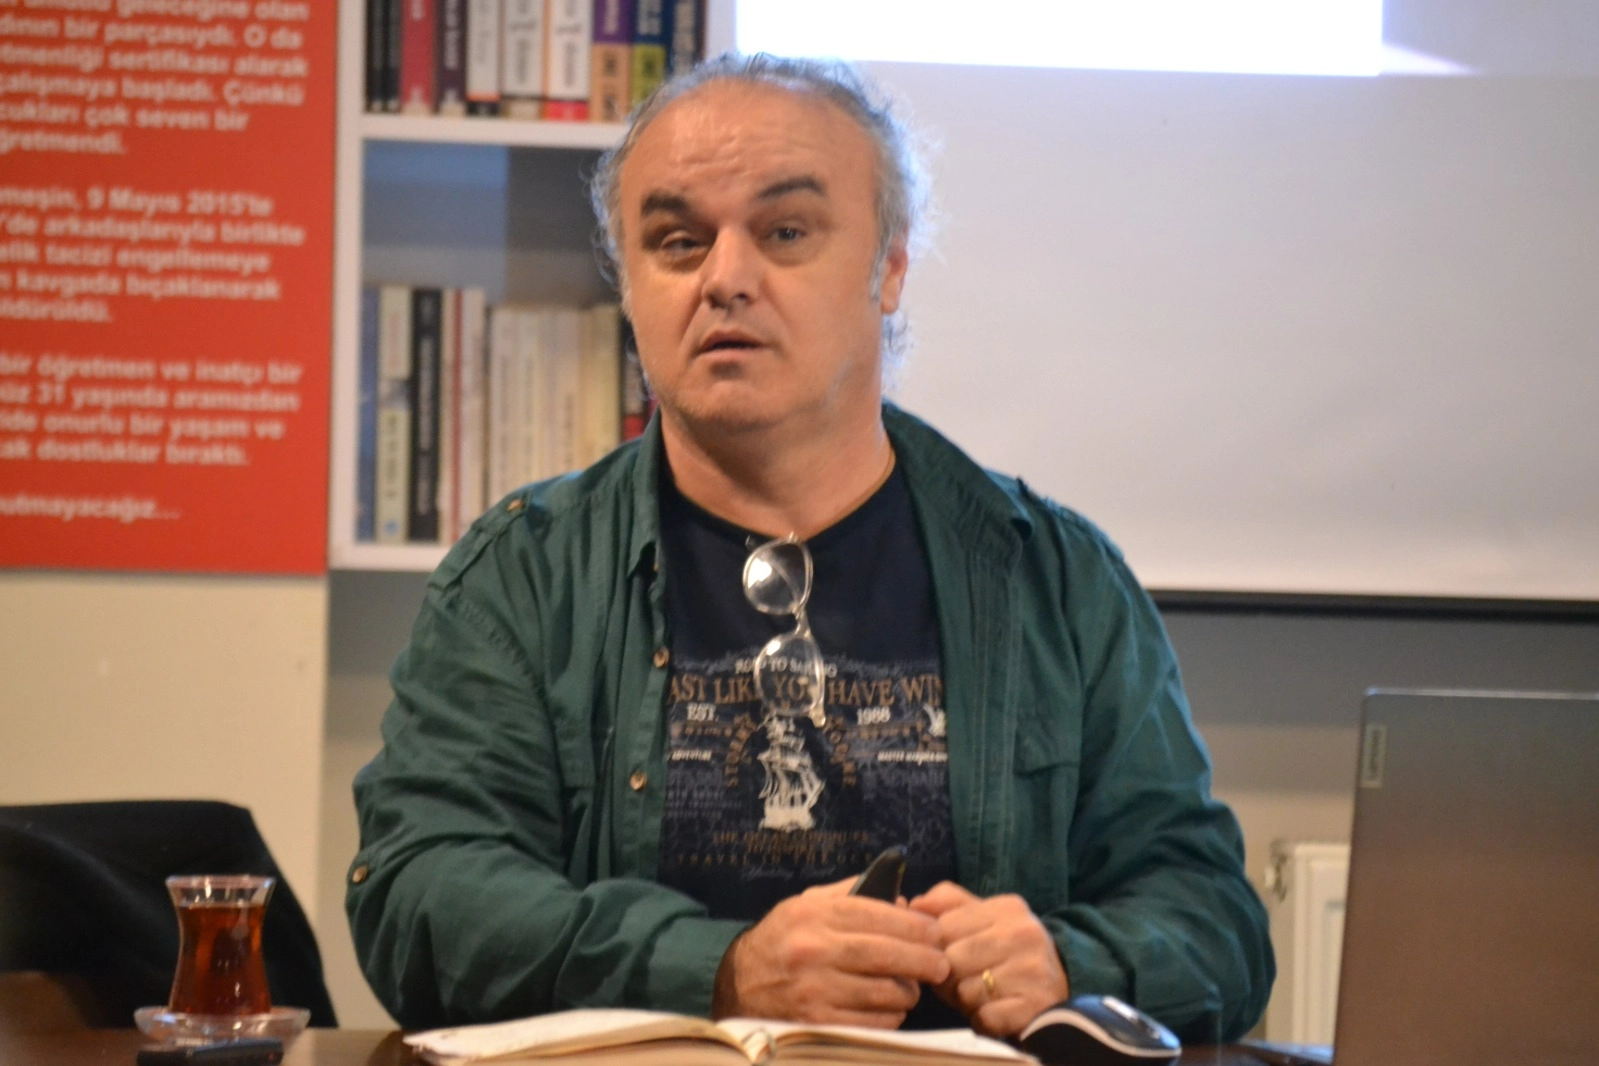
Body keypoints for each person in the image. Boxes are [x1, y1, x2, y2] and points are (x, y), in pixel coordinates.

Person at [347, 53, 1274, 1042]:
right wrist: (723, 971)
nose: (724, 278)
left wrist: (1067, 962)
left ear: (890, 268)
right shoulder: (524, 578)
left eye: (785, 232)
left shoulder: (1055, 579)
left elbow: (1212, 918)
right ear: (630, 285)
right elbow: (420, 893)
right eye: (676, 241)